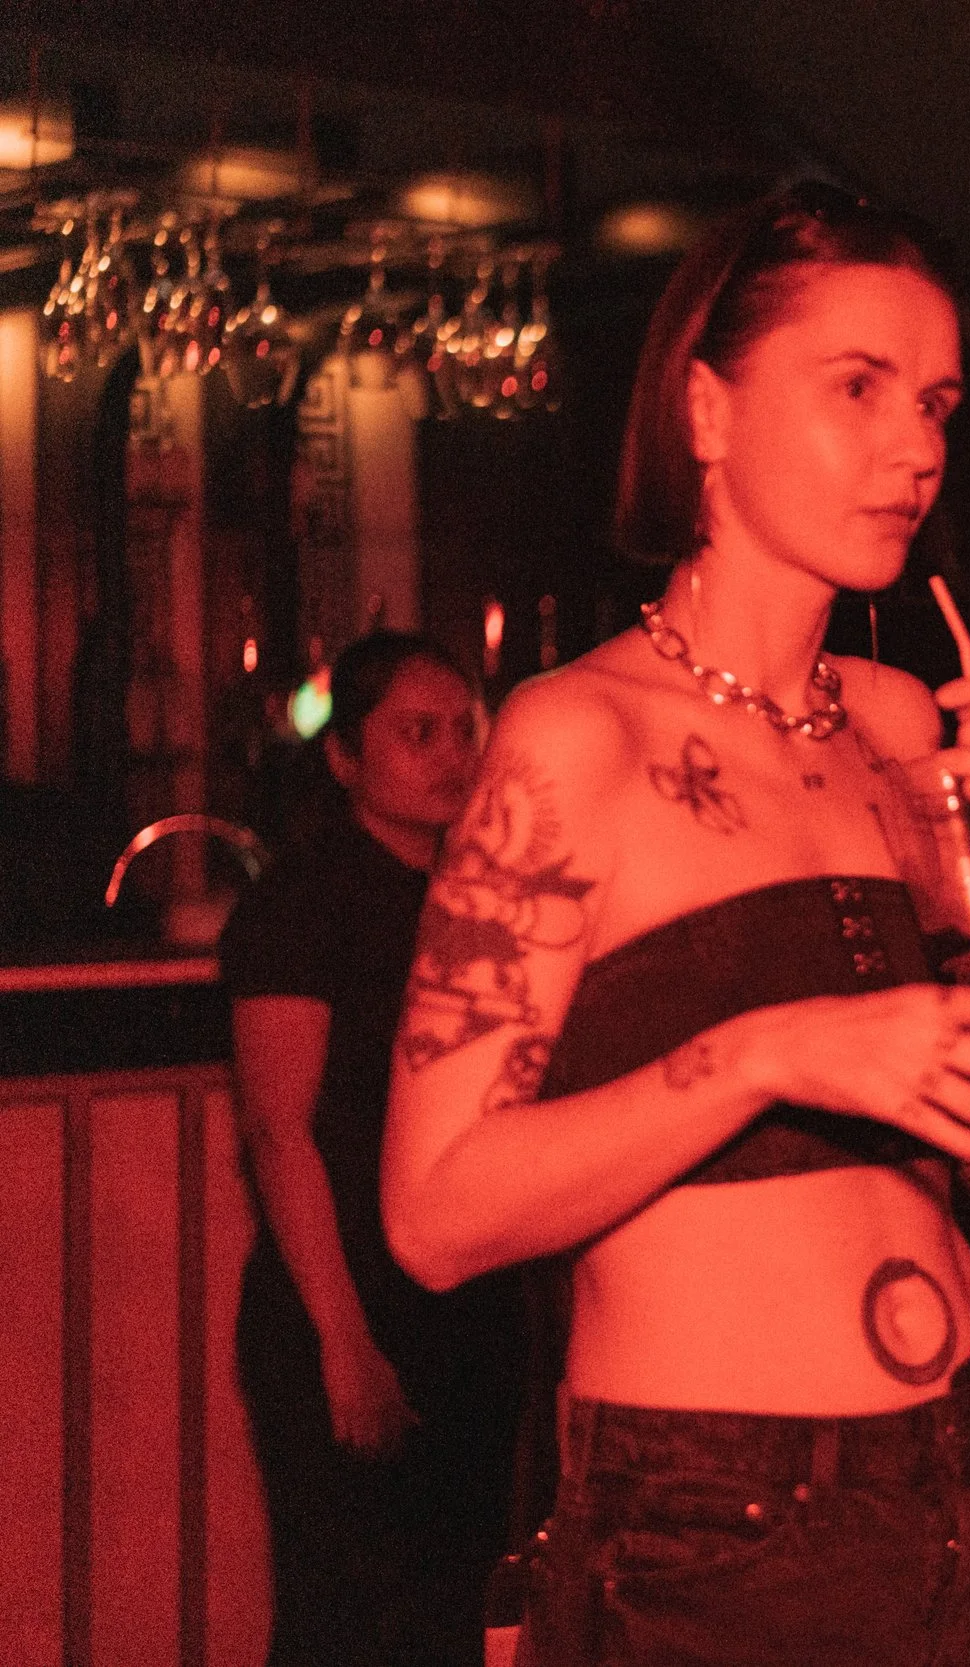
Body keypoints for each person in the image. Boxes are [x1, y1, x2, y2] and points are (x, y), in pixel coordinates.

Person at [379, 185, 970, 1665]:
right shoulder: (574, 741)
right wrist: (763, 1053)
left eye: (938, 402)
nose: (917, 446)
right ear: (707, 408)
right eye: (858, 388)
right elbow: (434, 1214)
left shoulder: (901, 724)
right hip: (719, 1520)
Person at [224, 629, 529, 1667]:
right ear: (347, 756)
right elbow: (279, 1129)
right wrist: (343, 1342)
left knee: (454, 1609)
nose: (451, 754)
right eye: (416, 732)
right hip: (341, 1293)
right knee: (344, 1617)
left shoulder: (481, 902)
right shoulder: (301, 901)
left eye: (463, 730)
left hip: (471, 1302)